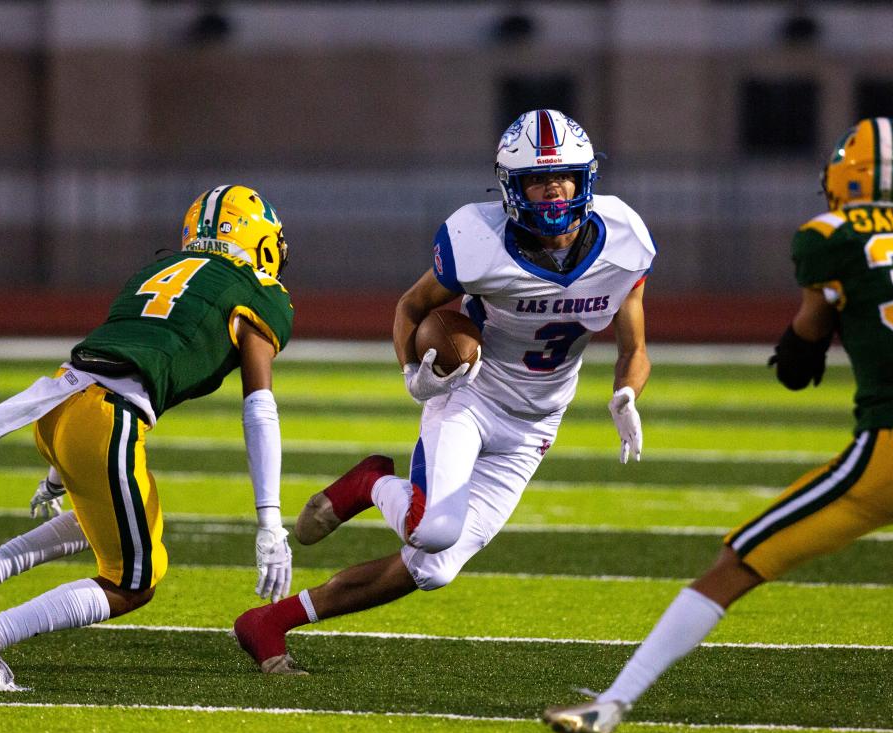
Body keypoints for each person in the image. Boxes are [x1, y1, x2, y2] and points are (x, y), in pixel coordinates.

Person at [544, 118, 893, 733]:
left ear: (844, 181)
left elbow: (804, 345)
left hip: (890, 457)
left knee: (737, 563)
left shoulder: (833, 235)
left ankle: (613, 704)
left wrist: (808, 338)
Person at [231, 108, 653, 674]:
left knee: (432, 568)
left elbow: (634, 347)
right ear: (511, 187)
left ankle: (271, 620)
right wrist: (414, 372)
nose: (553, 195)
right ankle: (372, 483)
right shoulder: (478, 239)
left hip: (536, 424)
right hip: (471, 395)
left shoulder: (624, 241)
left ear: (587, 180)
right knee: (432, 529)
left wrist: (626, 393)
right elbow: (412, 306)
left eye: (564, 179)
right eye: (537, 181)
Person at [0, 185, 296, 690]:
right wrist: (270, 522)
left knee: (122, 518)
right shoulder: (258, 292)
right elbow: (259, 407)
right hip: (105, 419)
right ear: (259, 240)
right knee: (134, 581)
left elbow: (115, 351)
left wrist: (62, 469)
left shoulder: (155, 271)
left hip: (57, 405)